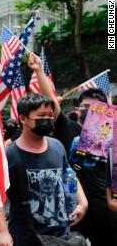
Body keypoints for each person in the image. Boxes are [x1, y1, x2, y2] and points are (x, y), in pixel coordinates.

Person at [33, 52, 117, 245]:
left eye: (95, 107)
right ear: (77, 109)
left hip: (105, 211)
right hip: (74, 208)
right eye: (85, 106)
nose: (89, 110)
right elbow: (51, 101)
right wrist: (38, 71)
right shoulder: (68, 129)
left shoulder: (109, 136)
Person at [6, 93, 88, 246]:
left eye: (50, 116)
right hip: (27, 237)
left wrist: (82, 203)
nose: (48, 119)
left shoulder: (56, 146)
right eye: (41, 115)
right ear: (23, 119)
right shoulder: (10, 155)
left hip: (62, 235)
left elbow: (69, 175)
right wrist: (2, 232)